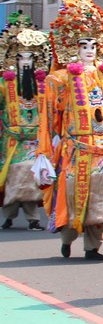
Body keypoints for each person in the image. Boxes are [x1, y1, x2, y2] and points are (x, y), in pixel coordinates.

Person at [34, 0, 103, 261]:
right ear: (73, 48)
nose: (89, 51)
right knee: (72, 196)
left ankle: (93, 247)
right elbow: (48, 118)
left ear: (100, 47)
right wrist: (46, 152)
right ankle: (67, 238)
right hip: (76, 147)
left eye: (93, 46)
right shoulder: (59, 80)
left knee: (102, 198)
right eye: (83, 46)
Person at [0, 13, 50, 231]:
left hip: (34, 141)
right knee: (12, 179)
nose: (26, 62)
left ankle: (33, 218)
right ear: (14, 59)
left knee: (31, 178)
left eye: (30, 57)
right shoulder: (4, 84)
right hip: (12, 141)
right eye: (21, 58)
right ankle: (9, 215)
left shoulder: (43, 84)